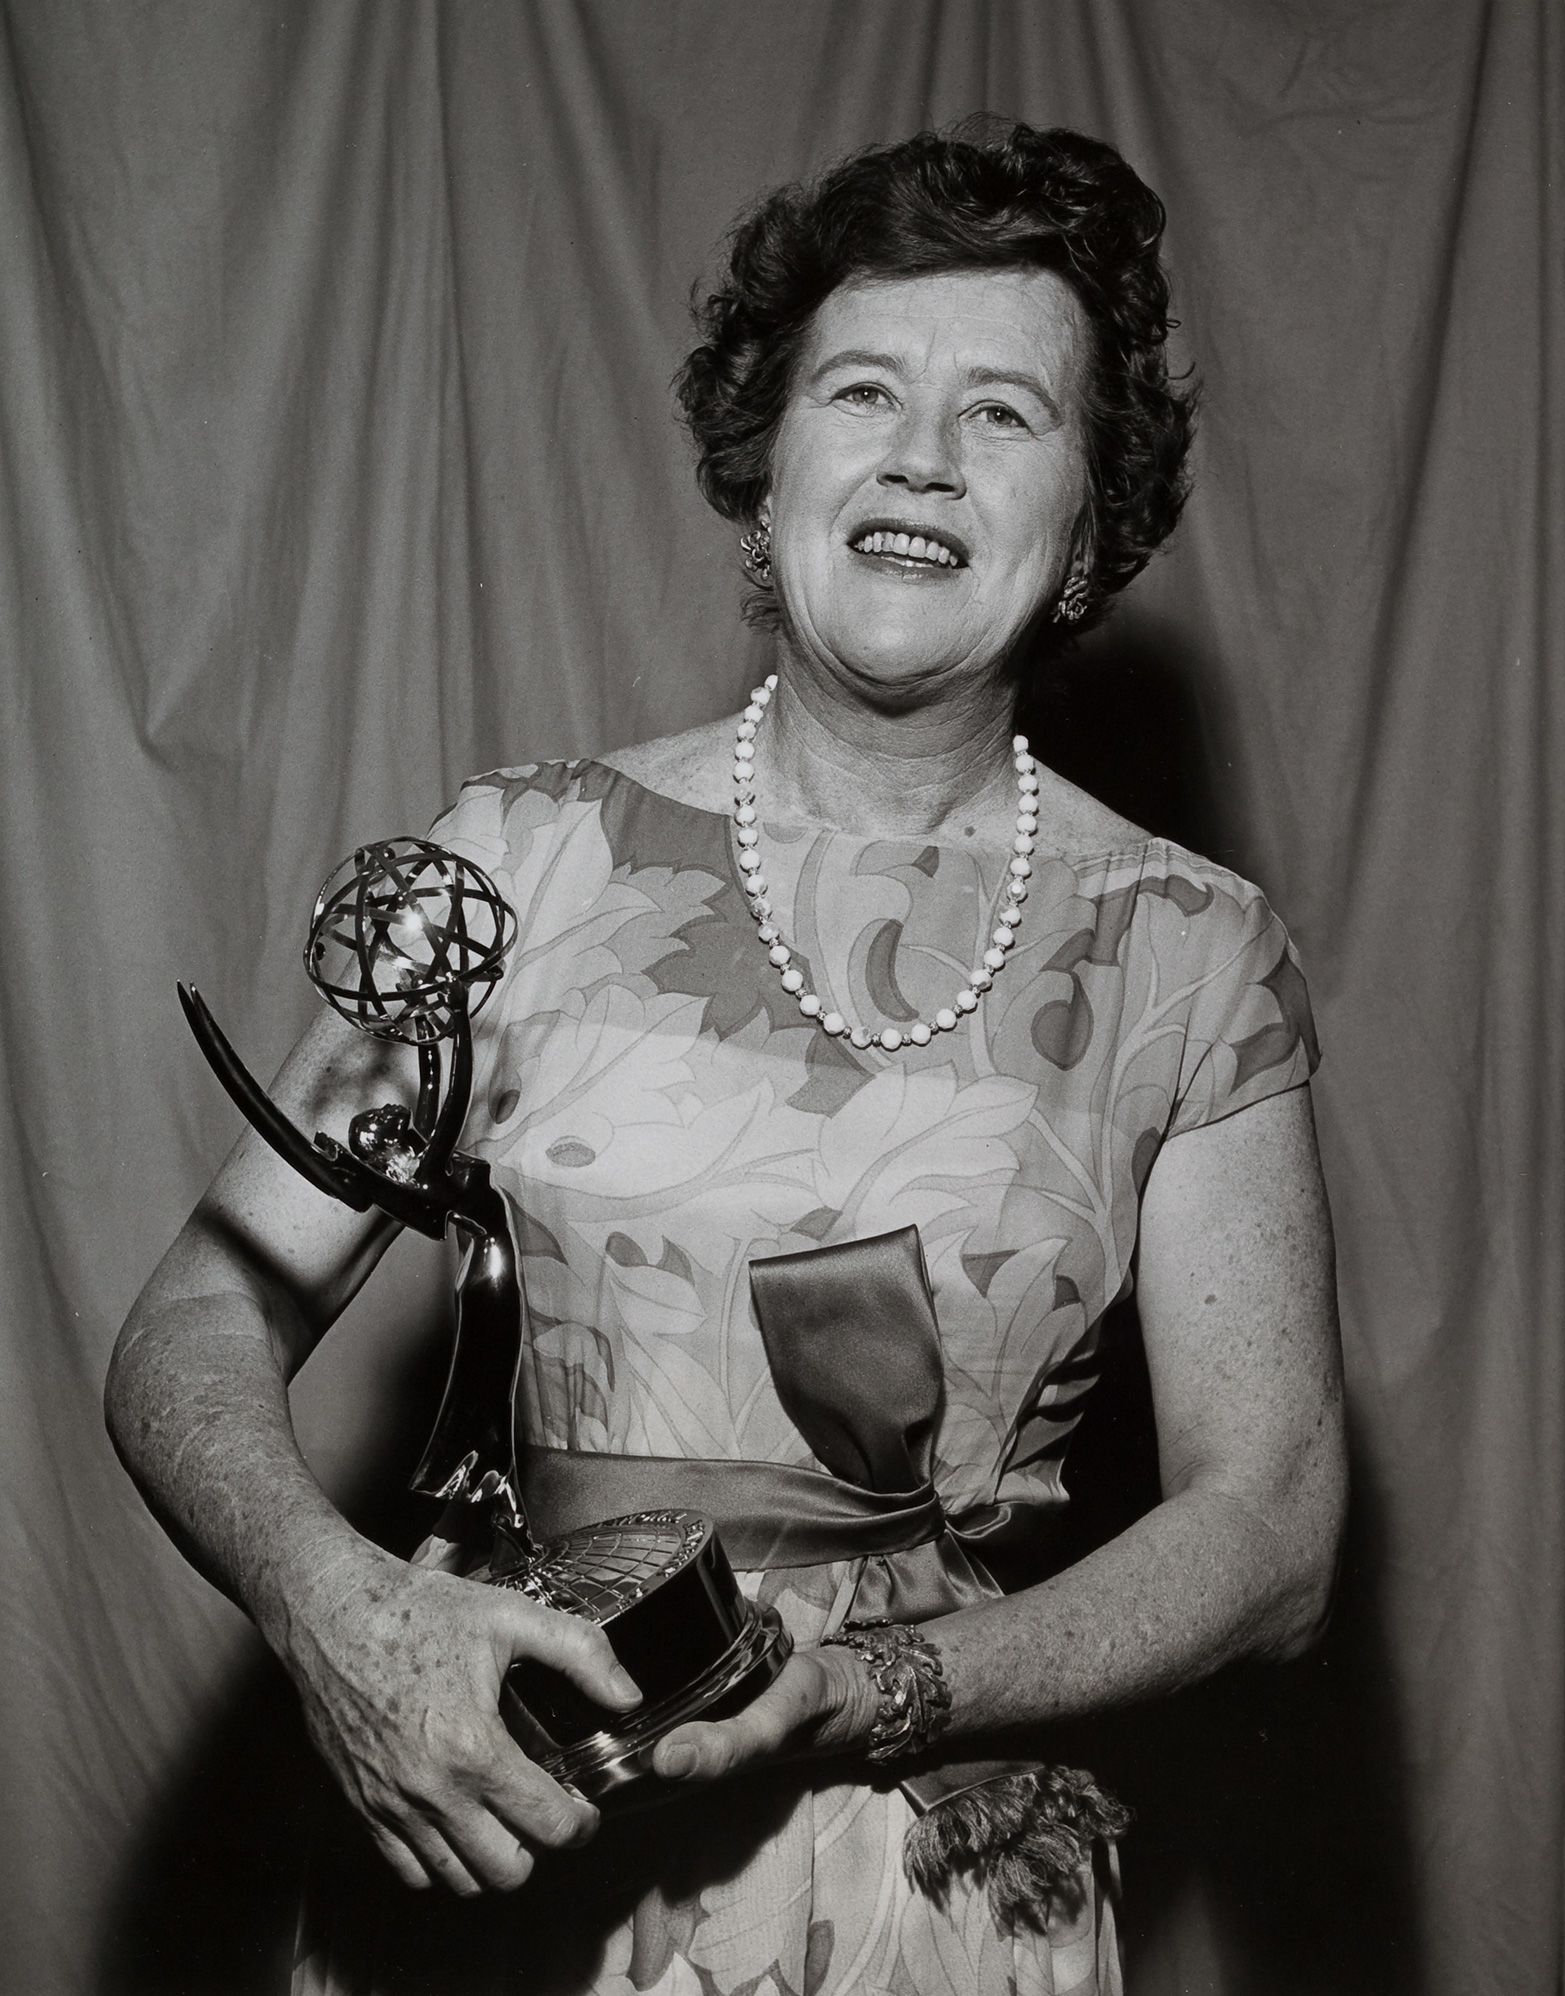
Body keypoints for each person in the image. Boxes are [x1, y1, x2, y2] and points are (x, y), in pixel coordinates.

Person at [107, 123, 1345, 1996]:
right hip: (515, 1845)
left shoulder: (1193, 950)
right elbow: (194, 1321)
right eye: (866, 390)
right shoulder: (516, 863)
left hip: (936, 1896)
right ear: (770, 472)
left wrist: (864, 1693)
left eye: (1005, 414)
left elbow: (1273, 1535)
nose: (923, 453)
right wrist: (341, 1610)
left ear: (1089, 525)